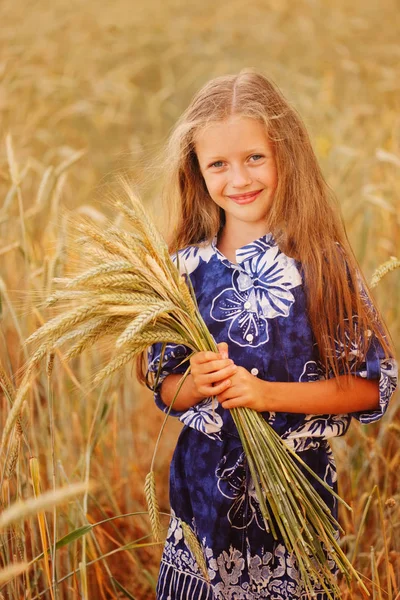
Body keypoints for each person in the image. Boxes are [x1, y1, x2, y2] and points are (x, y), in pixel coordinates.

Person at [139, 70, 398, 600]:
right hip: (203, 499)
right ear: (197, 170)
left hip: (294, 496)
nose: (239, 179)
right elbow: (164, 384)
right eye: (219, 164)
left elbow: (372, 385)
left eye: (254, 157)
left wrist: (265, 396)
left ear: (286, 153)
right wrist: (196, 384)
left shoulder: (321, 264)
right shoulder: (182, 271)